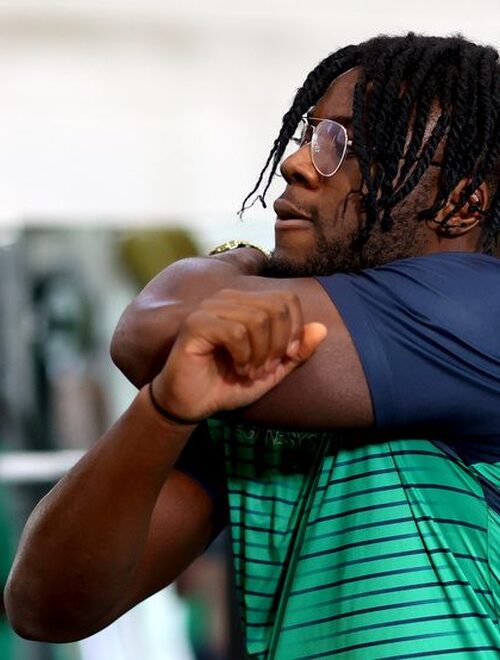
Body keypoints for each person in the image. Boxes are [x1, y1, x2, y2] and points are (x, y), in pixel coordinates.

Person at [5, 32, 500, 658]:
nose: (297, 163)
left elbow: (149, 329)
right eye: (311, 133)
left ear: (461, 203)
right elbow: (47, 604)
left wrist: (239, 260)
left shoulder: (482, 307)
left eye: (345, 143)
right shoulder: (280, 372)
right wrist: (163, 412)